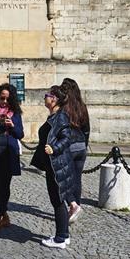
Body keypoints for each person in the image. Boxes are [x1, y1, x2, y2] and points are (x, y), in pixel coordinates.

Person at [39, 85, 85, 249]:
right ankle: (63, 235)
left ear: (54, 99)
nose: (44, 97)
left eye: (46, 95)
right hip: (54, 163)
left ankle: (60, 238)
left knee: (57, 201)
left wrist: (54, 148)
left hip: (57, 163)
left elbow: (66, 138)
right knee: (58, 200)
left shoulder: (61, 117)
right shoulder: (54, 116)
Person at [0, 83, 24, 233]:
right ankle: (4, 214)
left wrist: (13, 125)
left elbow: (20, 134)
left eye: (8, 99)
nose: (4, 102)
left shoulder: (15, 113)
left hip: (8, 152)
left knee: (5, 184)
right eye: (2, 98)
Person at [60, 78, 90, 224]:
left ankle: (73, 204)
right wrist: (84, 145)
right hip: (81, 146)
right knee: (77, 179)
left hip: (69, 147)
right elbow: (87, 129)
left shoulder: (63, 107)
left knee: (62, 179)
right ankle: (75, 206)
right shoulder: (82, 106)